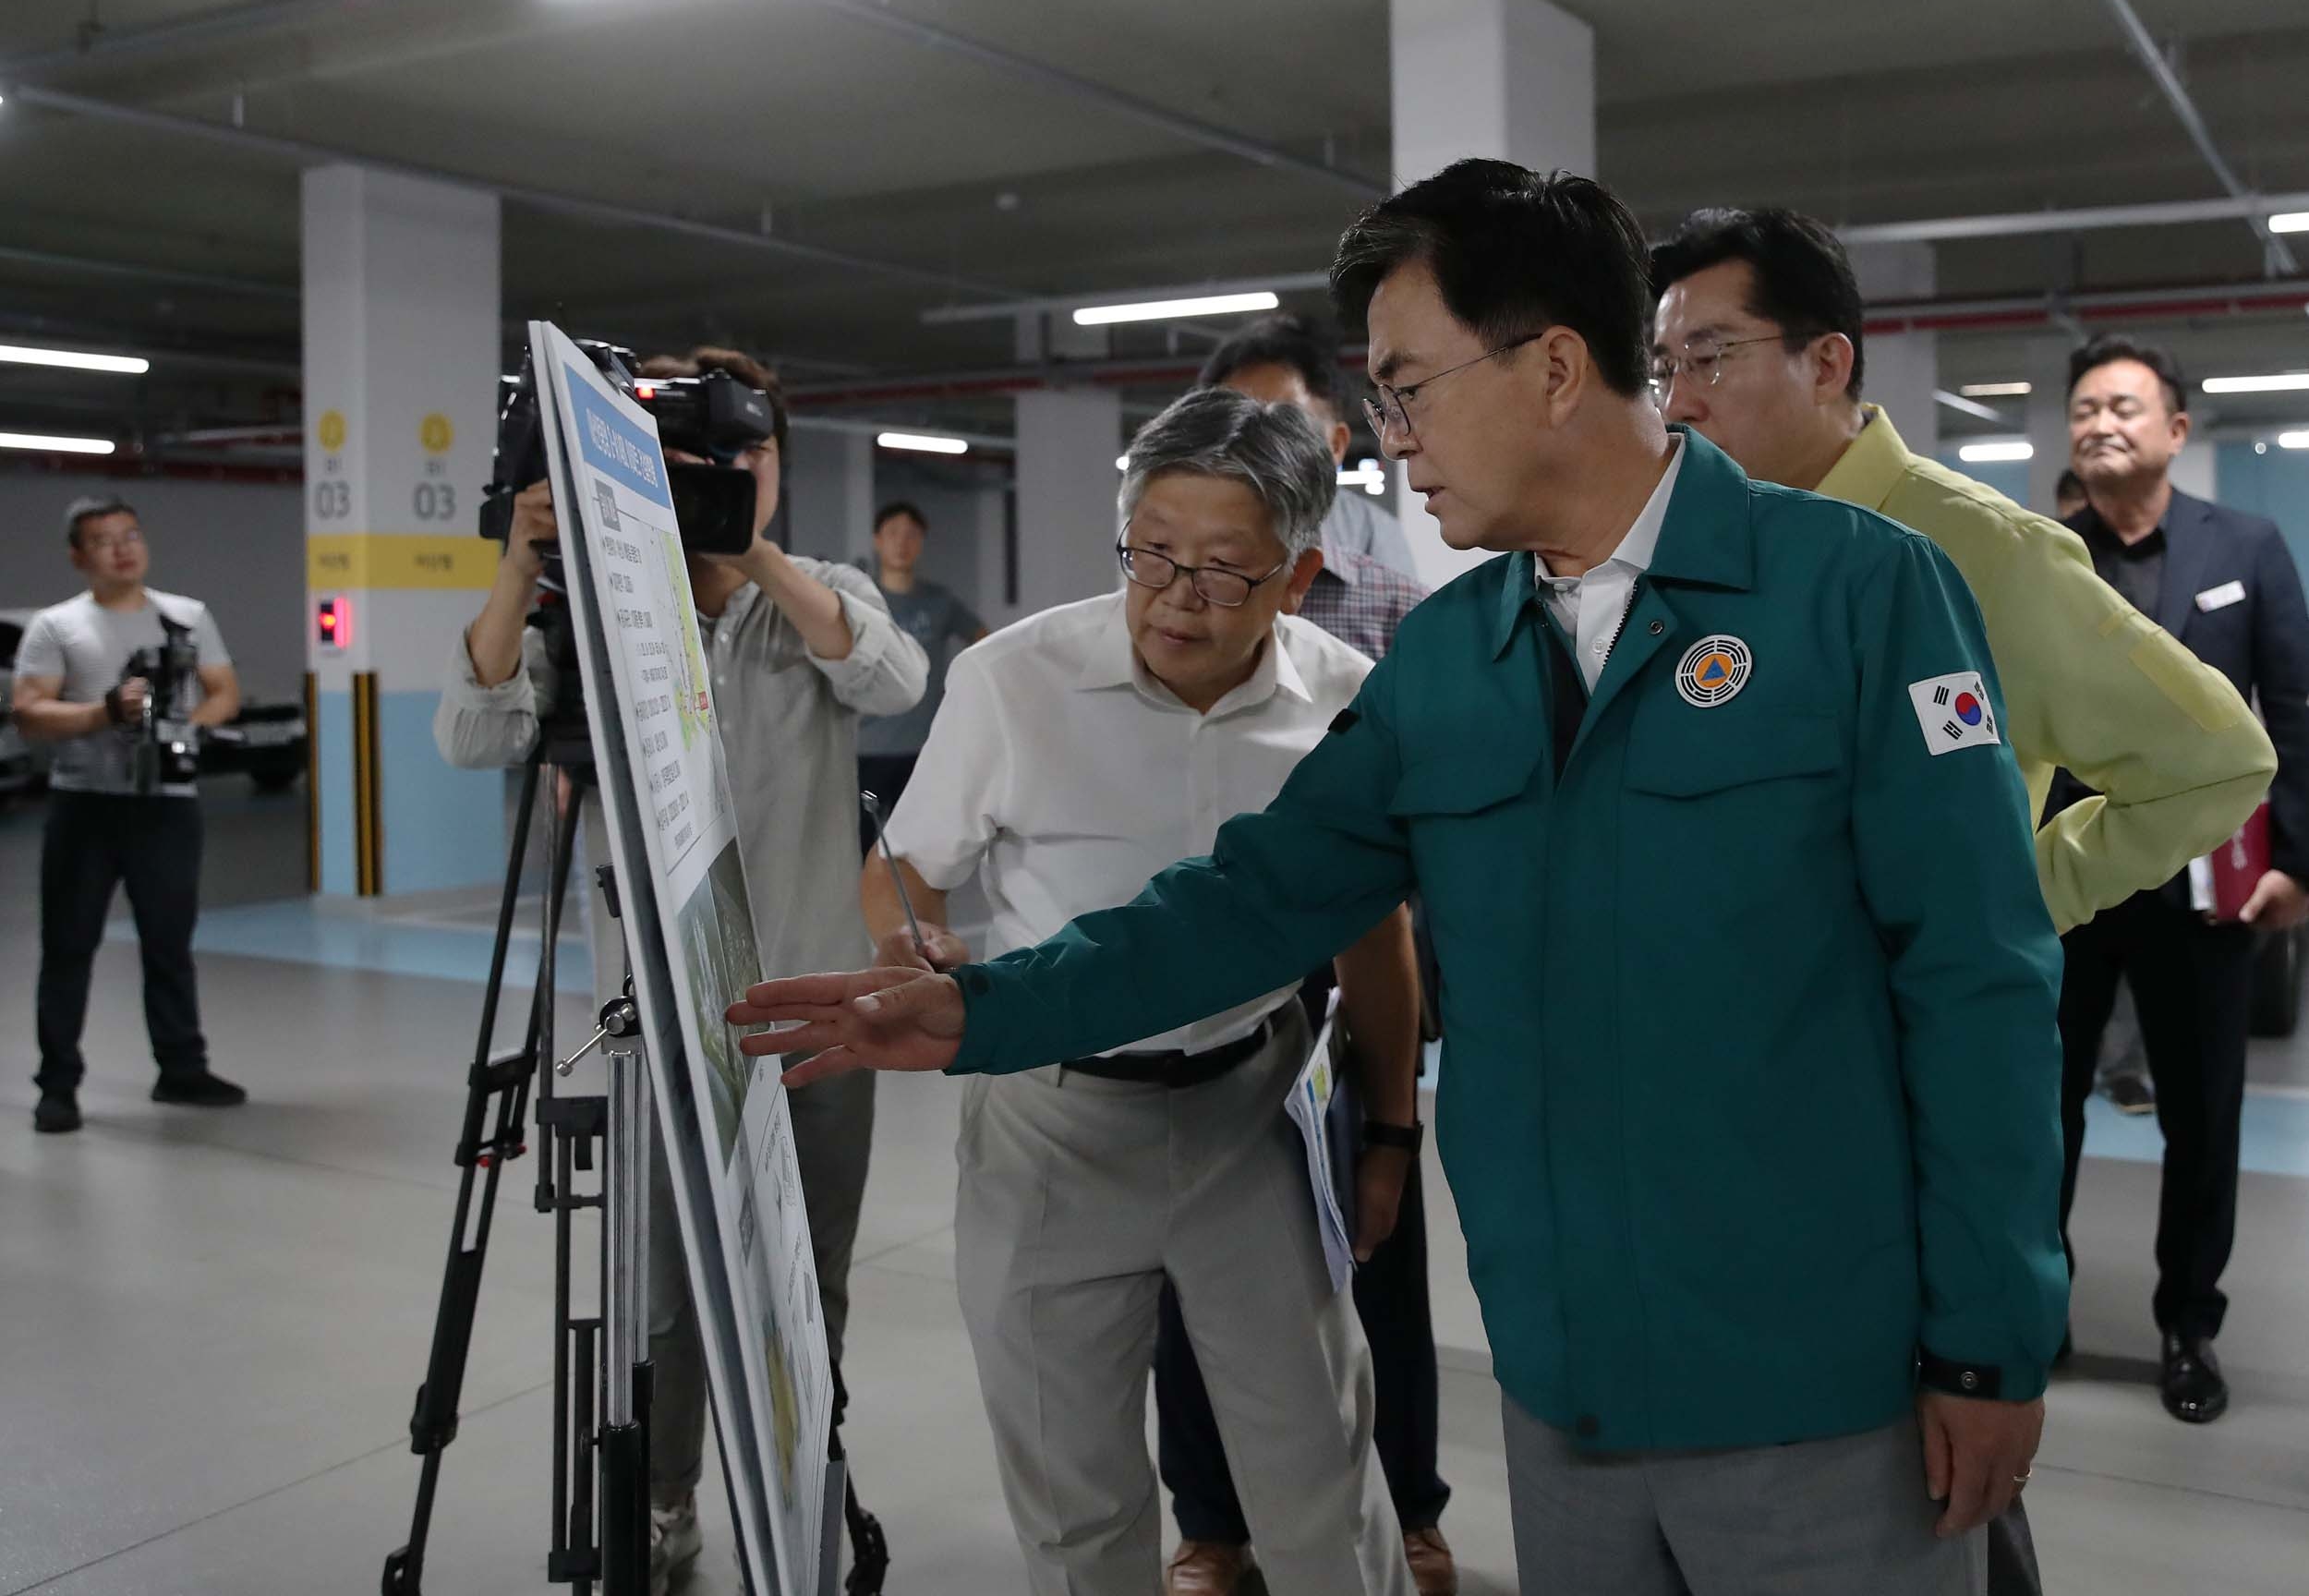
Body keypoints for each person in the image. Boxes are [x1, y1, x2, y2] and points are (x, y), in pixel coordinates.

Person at [735, 163, 2072, 1596]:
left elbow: (1978, 982)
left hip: (1818, 1396)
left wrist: (1992, 1338)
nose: (1390, 444)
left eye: (1407, 390)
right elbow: (1253, 902)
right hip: (1566, 1396)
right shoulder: (1454, 660)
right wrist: (988, 1007)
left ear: (1555, 368)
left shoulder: (1860, 596)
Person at [1649, 211, 2274, 1592]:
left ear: (1826, 361)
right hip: (1752, 1088)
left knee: (1939, 1460)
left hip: (1911, 1080)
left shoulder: (1976, 549)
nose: (1676, 400)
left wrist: (2020, 892)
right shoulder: (1699, 556)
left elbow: (2215, 758)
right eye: (1661, 369)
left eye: (1707, 357)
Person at [852, 388, 1420, 1596]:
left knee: (1318, 1466)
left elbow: (1373, 926)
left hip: (1253, 1114)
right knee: (1073, 1491)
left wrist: (1391, 1130)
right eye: (1151, 556)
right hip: (1050, 1126)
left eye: (1222, 570)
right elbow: (904, 873)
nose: (1174, 597)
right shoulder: (1015, 681)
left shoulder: (1345, 700)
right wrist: (918, 951)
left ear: (1299, 572)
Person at [432, 345, 927, 1594]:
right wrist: (522, 560)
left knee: (808, 1282)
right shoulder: (597, 608)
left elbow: (893, 676)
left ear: (778, 469)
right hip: (655, 1018)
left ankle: (801, 1469)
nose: (719, 477)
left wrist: (745, 546)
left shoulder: (816, 589)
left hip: (819, 1008)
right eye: (689, 461)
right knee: (660, 1303)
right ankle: (660, 1500)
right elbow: (470, 731)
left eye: (743, 457)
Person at [1151, 368, 1444, 1592]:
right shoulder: (1173, 576)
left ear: (1335, 435)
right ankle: (1214, 1522)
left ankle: (1408, 1505)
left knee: (1377, 1247)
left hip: (1351, 969)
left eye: (1278, 422)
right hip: (1206, 965)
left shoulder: (1389, 582)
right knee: (1194, 1271)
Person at [2052, 334, 2309, 1425]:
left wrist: (2299, 860)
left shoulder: (2244, 546)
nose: (2098, 423)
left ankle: (2186, 1326)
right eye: (2082, 409)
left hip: (2206, 893)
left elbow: (2296, 711)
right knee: (2033, 1111)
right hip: (2061, 889)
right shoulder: (2039, 554)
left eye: (2122, 406)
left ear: (2173, 430)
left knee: (2201, 1120)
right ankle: (2029, 1307)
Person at [15, 495, 247, 1134]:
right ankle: (57, 1084)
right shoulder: (57, 626)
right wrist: (103, 713)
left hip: (167, 809)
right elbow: (30, 710)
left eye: (131, 535)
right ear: (78, 556)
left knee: (169, 943)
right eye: (104, 540)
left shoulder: (187, 616)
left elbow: (224, 689)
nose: (123, 548)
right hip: (86, 805)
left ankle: (181, 1067)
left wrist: (185, 730)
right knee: (69, 945)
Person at [1198, 313, 1422, 580]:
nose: (1255, 449)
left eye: (1285, 426)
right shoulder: (1177, 542)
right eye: (1233, 426)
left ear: (1336, 445)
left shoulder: (1375, 541)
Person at [855, 499, 985, 854]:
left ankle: (908, 910)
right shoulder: (860, 600)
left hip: (926, 747)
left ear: (922, 542)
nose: (902, 542)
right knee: (866, 845)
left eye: (911, 534)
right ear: (877, 540)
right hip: (867, 748)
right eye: (893, 533)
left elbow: (983, 642)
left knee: (919, 848)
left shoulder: (938, 602)